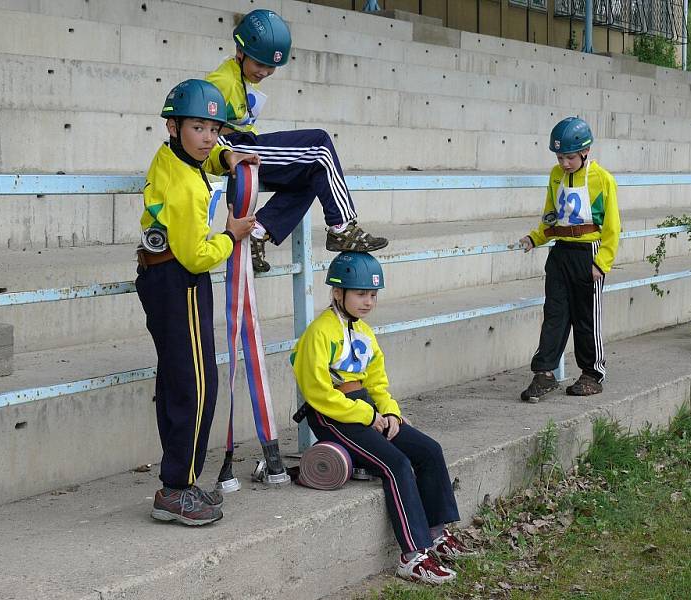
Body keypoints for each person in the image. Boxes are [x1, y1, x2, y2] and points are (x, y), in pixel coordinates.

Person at [290, 252, 467, 584]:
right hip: (332, 414)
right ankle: (413, 556)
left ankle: (436, 533)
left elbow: (377, 383)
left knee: (429, 450)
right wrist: (366, 414)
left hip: (367, 409)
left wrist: (389, 413)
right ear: (337, 293)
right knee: (395, 464)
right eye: (360, 294)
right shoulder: (319, 333)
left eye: (373, 295)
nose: (368, 302)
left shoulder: (366, 333)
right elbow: (318, 393)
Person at [136, 79, 259, 526]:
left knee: (175, 381)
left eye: (214, 129)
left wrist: (227, 156)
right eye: (198, 128)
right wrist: (232, 235)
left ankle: (176, 482)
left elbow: (203, 157)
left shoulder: (170, 156)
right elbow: (197, 255)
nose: (207, 137)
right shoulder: (186, 186)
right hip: (181, 278)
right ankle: (178, 488)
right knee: (197, 385)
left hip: (158, 275)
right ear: (173, 126)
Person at [206, 9, 388, 273]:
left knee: (312, 174)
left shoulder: (242, 77)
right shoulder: (222, 82)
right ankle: (343, 227)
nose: (265, 72)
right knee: (319, 146)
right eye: (260, 64)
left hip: (242, 143)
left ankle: (258, 231)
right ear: (240, 51)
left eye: (272, 67)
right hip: (231, 149)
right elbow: (203, 127)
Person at [517, 117, 620, 403]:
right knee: (555, 314)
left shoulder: (603, 180)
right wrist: (535, 238)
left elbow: (613, 227)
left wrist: (602, 263)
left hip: (588, 254)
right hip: (560, 251)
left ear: (585, 152)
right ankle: (544, 373)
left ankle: (592, 374)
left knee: (586, 317)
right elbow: (551, 215)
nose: (564, 163)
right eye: (560, 157)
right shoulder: (555, 176)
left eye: (569, 157)